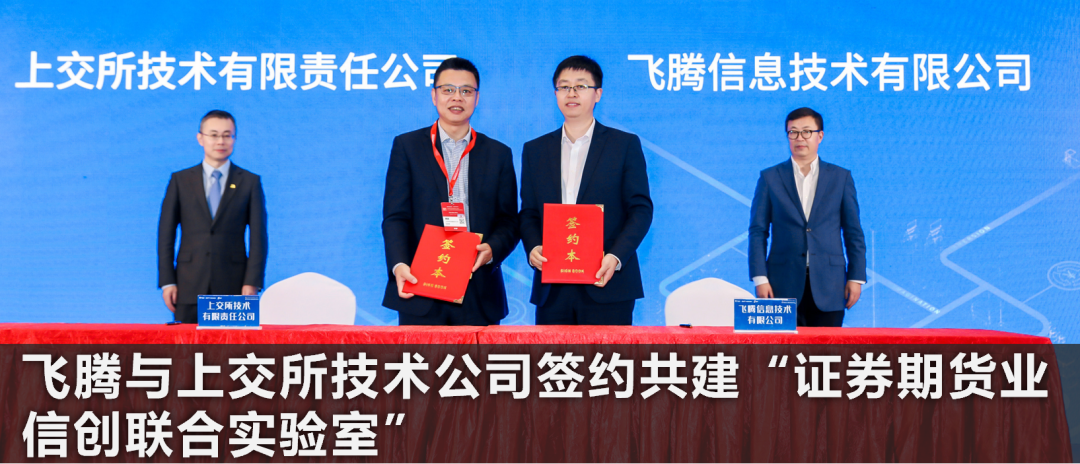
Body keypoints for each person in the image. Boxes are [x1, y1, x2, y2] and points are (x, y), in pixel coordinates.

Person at [382, 57, 519, 325]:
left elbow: (509, 220)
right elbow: (396, 216)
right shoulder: (407, 147)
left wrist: (492, 249)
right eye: (448, 90)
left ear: (477, 98)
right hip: (420, 284)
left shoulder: (498, 154)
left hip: (478, 288)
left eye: (466, 91)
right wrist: (399, 265)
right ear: (434, 95)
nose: (457, 97)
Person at [519, 55, 653, 325]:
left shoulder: (624, 145)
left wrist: (616, 257)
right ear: (555, 94)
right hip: (552, 287)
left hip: (607, 281)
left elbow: (640, 209)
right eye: (564, 86)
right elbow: (529, 212)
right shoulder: (535, 150)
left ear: (597, 94)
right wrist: (533, 247)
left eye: (581, 86)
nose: (571, 93)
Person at [748, 107, 866, 327]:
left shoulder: (840, 177)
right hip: (780, 284)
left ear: (820, 135)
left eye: (806, 131)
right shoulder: (770, 177)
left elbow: (853, 232)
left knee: (826, 348)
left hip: (830, 285)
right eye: (793, 132)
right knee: (781, 349)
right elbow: (758, 232)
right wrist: (760, 278)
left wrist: (855, 277)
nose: (799, 138)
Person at [158, 110, 268, 323]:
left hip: (235, 284)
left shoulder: (249, 182)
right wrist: (167, 281)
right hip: (188, 283)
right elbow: (165, 235)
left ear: (234, 139)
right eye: (214, 135)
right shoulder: (180, 180)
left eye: (227, 135)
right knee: (187, 343)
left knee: (232, 343)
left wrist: (252, 281)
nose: (220, 141)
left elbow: (258, 238)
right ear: (200, 138)